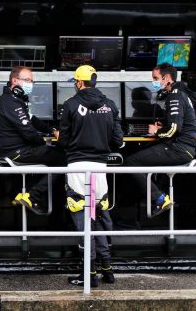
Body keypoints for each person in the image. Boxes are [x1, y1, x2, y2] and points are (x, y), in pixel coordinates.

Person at [58, 65, 123, 287]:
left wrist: (61, 136)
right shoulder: (111, 105)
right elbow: (118, 142)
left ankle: (88, 275)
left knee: (82, 222)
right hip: (100, 170)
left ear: (79, 83)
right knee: (98, 221)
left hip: (77, 168)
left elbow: (64, 142)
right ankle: (108, 270)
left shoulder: (70, 105)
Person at [124, 63, 196, 217]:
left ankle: (160, 199)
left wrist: (157, 132)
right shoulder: (181, 93)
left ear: (166, 78)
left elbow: (173, 129)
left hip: (179, 148)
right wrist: (162, 127)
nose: (154, 82)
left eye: (155, 78)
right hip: (183, 147)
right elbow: (176, 124)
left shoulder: (175, 96)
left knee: (131, 162)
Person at [0, 65, 65, 215]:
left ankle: (30, 195)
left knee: (51, 154)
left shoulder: (15, 100)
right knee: (64, 159)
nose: (30, 84)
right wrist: (43, 143)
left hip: (15, 150)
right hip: (17, 153)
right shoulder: (10, 101)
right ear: (14, 80)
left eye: (31, 81)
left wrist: (51, 130)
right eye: (27, 80)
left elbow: (31, 119)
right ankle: (33, 196)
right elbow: (28, 131)